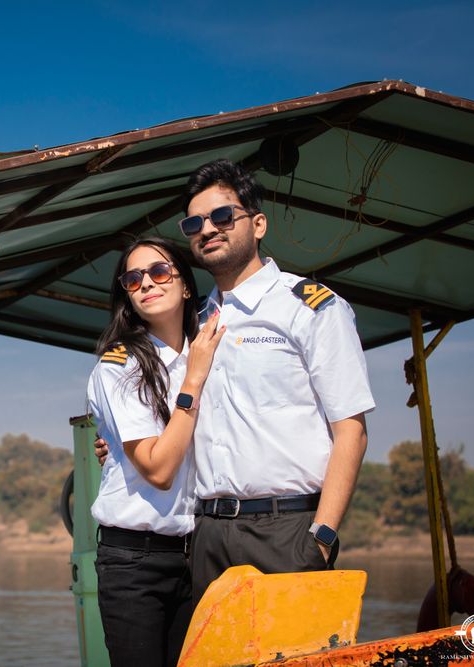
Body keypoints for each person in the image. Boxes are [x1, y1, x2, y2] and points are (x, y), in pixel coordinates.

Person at [95, 159, 375, 612]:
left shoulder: (309, 308)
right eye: (194, 222)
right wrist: (113, 442)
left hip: (286, 531)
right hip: (205, 537)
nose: (207, 229)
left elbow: (352, 431)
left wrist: (320, 538)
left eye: (223, 216)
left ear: (258, 223)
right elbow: (159, 409)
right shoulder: (193, 323)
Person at [86, 236, 224, 667]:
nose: (146, 282)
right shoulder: (120, 365)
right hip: (134, 563)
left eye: (159, 272)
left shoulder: (209, 352)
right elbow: (159, 470)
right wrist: (193, 383)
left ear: (185, 285)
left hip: (198, 554)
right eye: (133, 278)